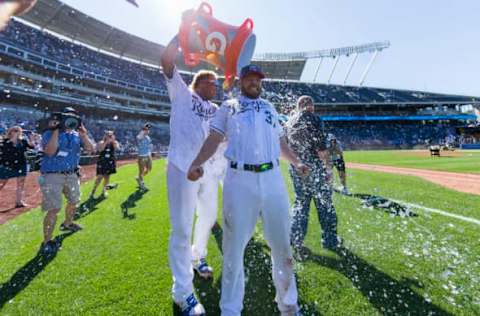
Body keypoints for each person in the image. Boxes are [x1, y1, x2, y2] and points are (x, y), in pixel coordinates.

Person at [188, 64, 309, 316]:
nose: (255, 82)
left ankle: (288, 306)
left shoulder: (269, 107)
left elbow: (280, 141)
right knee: (233, 249)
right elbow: (213, 139)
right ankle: (230, 310)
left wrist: (297, 161)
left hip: (273, 178)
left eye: (258, 79)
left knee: (283, 247)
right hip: (239, 178)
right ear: (241, 81)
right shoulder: (228, 107)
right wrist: (197, 161)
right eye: (250, 79)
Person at [161, 35, 227, 316]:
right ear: (198, 83)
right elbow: (166, 60)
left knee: (209, 218)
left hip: (208, 171)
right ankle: (183, 292)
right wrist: (181, 34)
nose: (215, 86)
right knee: (181, 228)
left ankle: (198, 256)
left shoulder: (216, 109)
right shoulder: (181, 93)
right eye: (211, 82)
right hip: (181, 168)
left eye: (216, 83)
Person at [285, 96, 340, 257]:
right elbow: (321, 149)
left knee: (301, 203)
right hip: (315, 167)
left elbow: (286, 146)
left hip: (296, 167)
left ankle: (295, 239)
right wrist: (328, 169)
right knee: (325, 204)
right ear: (310, 106)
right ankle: (330, 240)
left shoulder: (289, 121)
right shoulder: (314, 119)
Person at [39, 107, 95, 254]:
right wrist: (57, 130)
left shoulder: (77, 135)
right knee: (54, 208)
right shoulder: (49, 133)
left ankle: (68, 223)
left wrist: (84, 135)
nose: (70, 121)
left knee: (74, 201)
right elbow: (50, 151)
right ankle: (47, 241)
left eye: (73, 118)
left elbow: (91, 150)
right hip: (52, 175)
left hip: (72, 174)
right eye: (67, 117)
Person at [0, 126, 36, 208]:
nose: (17, 132)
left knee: (21, 183)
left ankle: (19, 202)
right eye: (15, 131)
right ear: (10, 132)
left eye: (19, 131)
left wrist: (32, 139)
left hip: (20, 164)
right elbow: (5, 149)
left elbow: (32, 147)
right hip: (7, 165)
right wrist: (14, 139)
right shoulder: (5, 141)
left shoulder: (23, 141)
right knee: (2, 183)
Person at [90, 130, 120, 198]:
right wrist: (106, 142)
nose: (109, 137)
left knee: (107, 178)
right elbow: (100, 149)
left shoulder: (114, 142)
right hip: (102, 162)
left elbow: (117, 148)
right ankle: (93, 192)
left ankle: (104, 191)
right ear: (105, 136)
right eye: (108, 135)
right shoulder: (101, 142)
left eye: (110, 135)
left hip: (110, 162)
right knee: (99, 178)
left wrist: (113, 141)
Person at [136, 123, 153, 190]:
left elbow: (149, 145)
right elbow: (140, 137)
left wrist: (151, 151)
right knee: (141, 170)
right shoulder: (139, 136)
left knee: (149, 169)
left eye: (148, 129)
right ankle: (142, 184)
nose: (148, 130)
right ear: (143, 130)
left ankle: (139, 178)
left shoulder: (148, 137)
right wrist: (144, 128)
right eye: (146, 129)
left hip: (148, 154)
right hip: (141, 156)